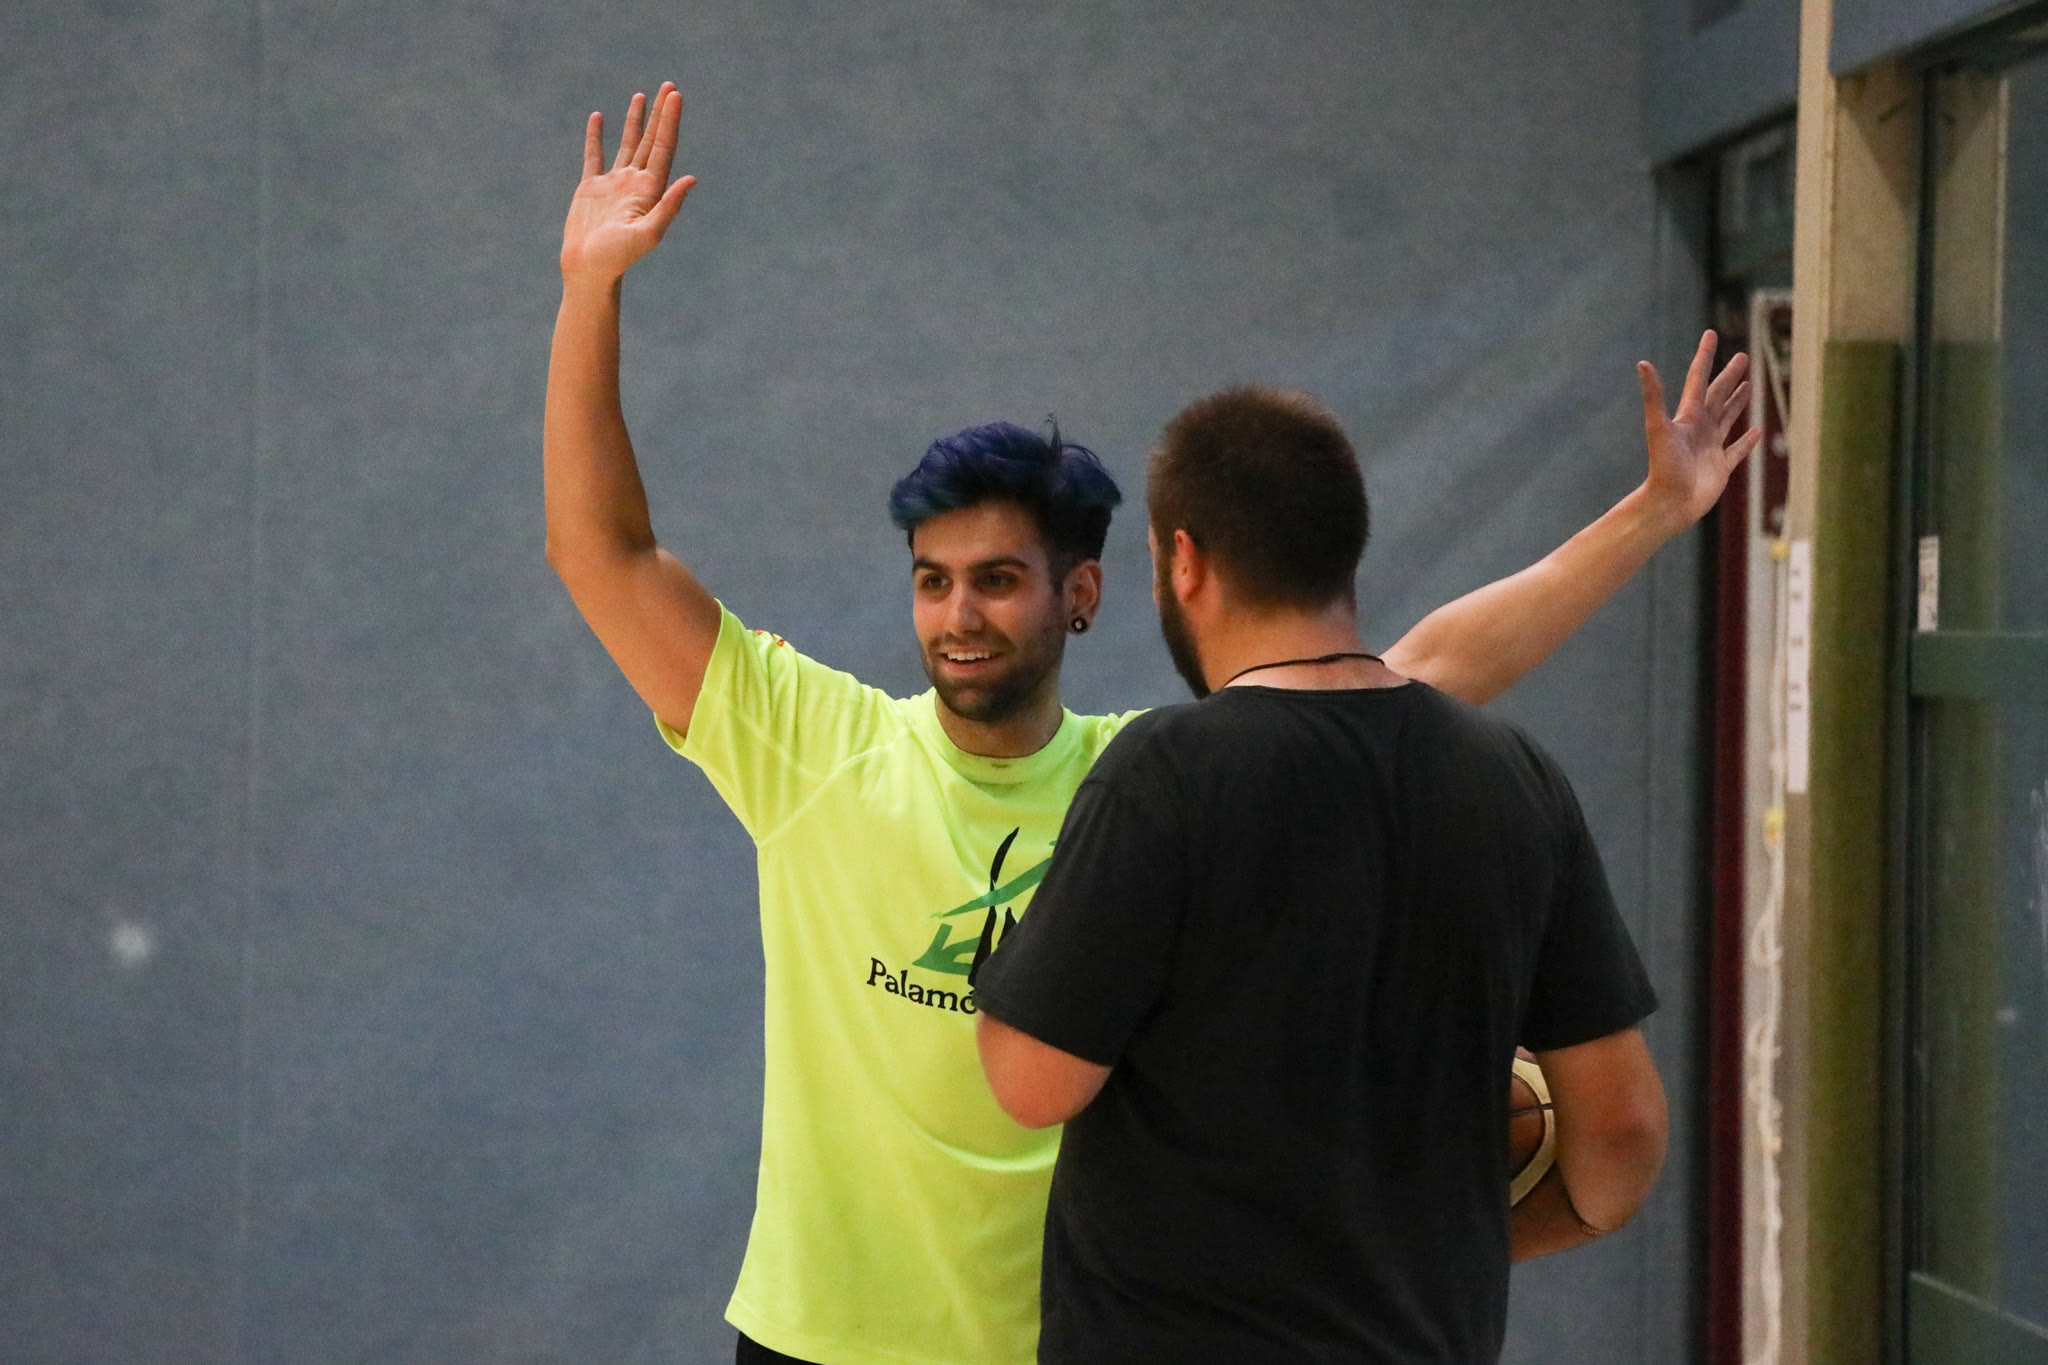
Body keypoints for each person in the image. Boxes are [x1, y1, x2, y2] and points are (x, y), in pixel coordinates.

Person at [545, 83, 1756, 1365]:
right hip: (820, 1347)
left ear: (1082, 593)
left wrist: (1649, 514)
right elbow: (600, 555)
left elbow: (1424, 668)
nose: (958, 615)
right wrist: (586, 291)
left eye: (996, 579)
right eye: (930, 581)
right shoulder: (811, 748)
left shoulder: (1153, 781)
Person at [972, 385, 1678, 1363]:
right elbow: (1624, 1133)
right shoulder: (1514, 779)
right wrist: (1470, 1243)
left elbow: (1030, 1080)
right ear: (1344, 553)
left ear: (1183, 561)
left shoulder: (1163, 776)